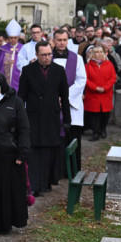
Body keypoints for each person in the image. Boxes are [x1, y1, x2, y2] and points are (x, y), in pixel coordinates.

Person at [17, 41, 71, 196]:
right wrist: (18, 119)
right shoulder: (27, 71)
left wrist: (67, 120)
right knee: (33, 151)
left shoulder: (59, 71)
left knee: (48, 151)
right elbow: (21, 97)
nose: (47, 57)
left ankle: (46, 182)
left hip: (51, 116)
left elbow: (64, 97)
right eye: (44, 55)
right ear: (36, 55)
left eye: (49, 54)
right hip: (33, 116)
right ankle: (34, 184)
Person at [0, 71, 30, 234]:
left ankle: (5, 224)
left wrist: (22, 152)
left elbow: (23, 129)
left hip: (9, 156)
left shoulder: (15, 102)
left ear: (2, 84)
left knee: (6, 192)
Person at [51, 29, 86, 176]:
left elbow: (81, 80)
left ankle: (72, 170)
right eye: (59, 40)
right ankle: (55, 171)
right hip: (51, 107)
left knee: (72, 139)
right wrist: (53, 98)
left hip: (72, 107)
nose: (62, 43)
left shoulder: (77, 58)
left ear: (68, 40)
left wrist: (64, 98)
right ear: (54, 40)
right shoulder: (47, 57)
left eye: (64, 40)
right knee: (54, 140)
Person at [84, 45, 117, 140]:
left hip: (106, 94)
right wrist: (95, 88)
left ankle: (103, 129)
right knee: (94, 115)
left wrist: (105, 88)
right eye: (96, 52)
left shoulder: (109, 64)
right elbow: (86, 79)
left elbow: (113, 78)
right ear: (92, 54)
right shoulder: (88, 65)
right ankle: (95, 133)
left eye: (100, 52)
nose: (98, 54)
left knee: (105, 114)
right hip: (93, 94)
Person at [0, 20, 26, 91]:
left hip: (19, 81)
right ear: (8, 37)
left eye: (15, 37)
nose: (13, 39)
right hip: (4, 82)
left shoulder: (23, 49)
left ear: (18, 37)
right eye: (11, 38)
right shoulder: (3, 49)